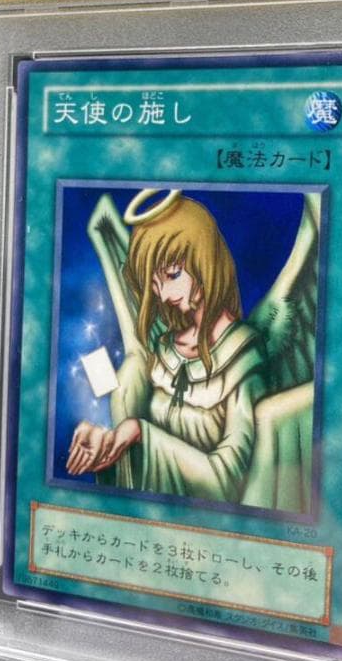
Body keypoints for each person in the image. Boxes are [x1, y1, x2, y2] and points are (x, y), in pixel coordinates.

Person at [66, 192, 268, 504]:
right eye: (153, 283)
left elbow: (227, 482)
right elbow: (129, 421)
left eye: (172, 275)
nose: (162, 294)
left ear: (204, 259)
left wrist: (139, 432)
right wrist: (106, 438)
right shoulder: (163, 349)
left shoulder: (244, 357)